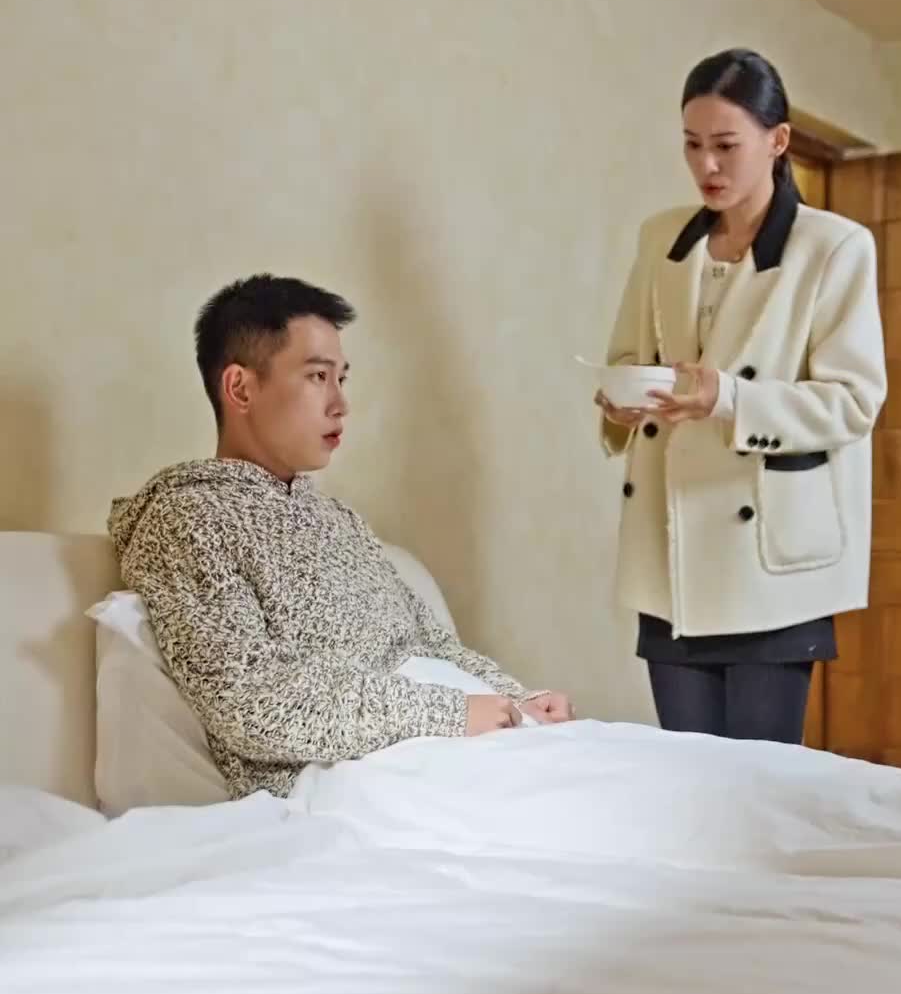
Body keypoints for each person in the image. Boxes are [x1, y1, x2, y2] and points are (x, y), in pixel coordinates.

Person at [110, 274, 573, 800]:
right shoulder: (187, 519)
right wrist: (451, 712)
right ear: (240, 388)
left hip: (452, 749)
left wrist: (519, 699)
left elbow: (430, 644)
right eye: (316, 377)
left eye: (341, 378)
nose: (340, 403)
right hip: (356, 782)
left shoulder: (340, 520)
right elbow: (253, 706)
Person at [597, 48, 886, 746]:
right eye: (692, 145)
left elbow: (853, 402)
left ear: (778, 140)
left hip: (768, 564)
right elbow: (628, 359)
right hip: (671, 560)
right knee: (690, 780)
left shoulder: (834, 247)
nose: (707, 165)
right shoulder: (662, 239)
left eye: (726, 146)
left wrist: (728, 398)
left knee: (759, 787)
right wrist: (621, 404)